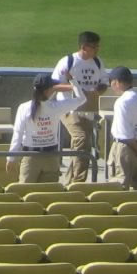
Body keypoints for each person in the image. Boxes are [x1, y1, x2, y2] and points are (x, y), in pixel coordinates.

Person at [7, 74, 86, 183]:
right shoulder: (56, 107)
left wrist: (11, 158)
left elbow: (18, 134)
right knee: (48, 194)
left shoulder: (24, 108)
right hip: (51, 157)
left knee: (25, 194)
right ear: (48, 90)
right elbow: (82, 99)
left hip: (31, 158)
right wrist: (73, 81)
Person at [52, 31, 107, 183]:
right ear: (84, 47)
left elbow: (104, 81)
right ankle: (79, 183)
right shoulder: (68, 61)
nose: (97, 50)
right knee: (81, 140)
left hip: (89, 109)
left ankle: (70, 181)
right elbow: (55, 84)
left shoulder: (98, 62)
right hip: (69, 108)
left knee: (83, 145)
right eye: (94, 47)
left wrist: (97, 91)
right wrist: (76, 89)